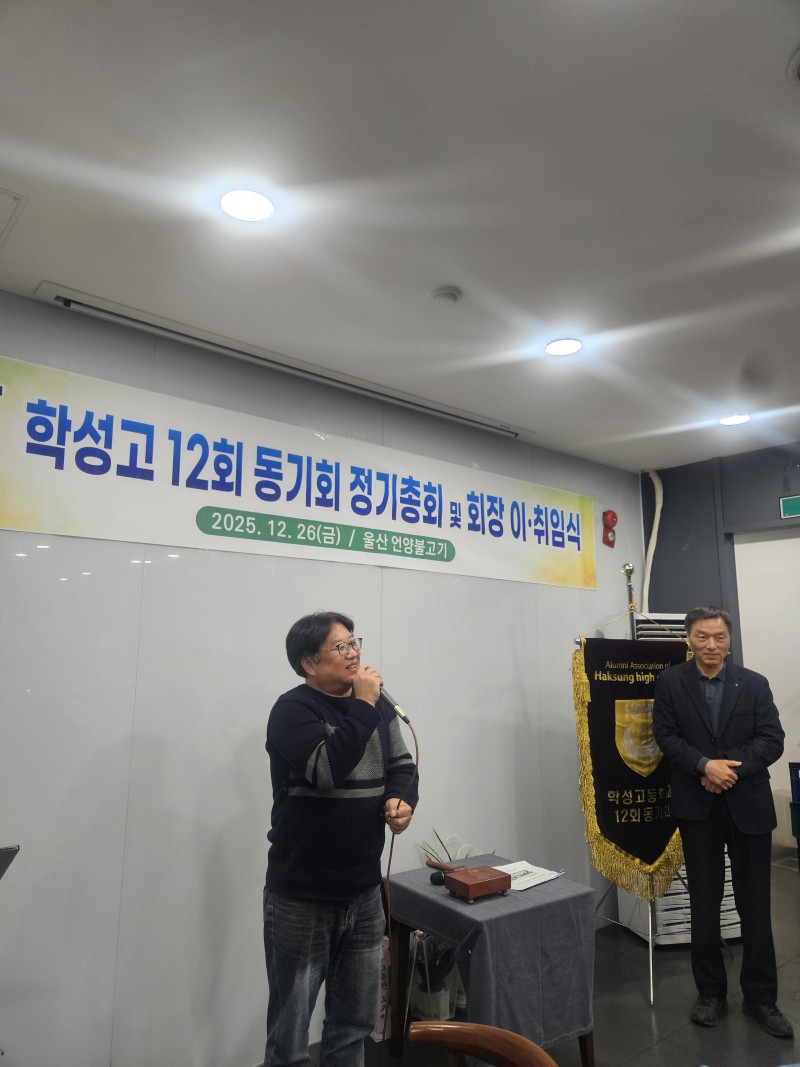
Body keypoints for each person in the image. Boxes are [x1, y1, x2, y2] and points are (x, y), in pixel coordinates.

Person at [262, 611, 419, 1067]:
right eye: (340, 646)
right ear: (309, 663)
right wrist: (364, 706)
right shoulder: (292, 710)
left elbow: (402, 765)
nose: (354, 653)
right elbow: (327, 771)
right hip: (302, 898)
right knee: (291, 1038)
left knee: (353, 1026)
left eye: (354, 643)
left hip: (364, 894)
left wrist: (400, 800)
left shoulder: (377, 706)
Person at [652, 606, 792, 1039]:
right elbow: (666, 736)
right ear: (689, 639)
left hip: (748, 805)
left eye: (719, 637)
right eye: (702, 636)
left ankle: (761, 998)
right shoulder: (670, 682)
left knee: (755, 906)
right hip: (698, 808)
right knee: (704, 903)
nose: (711, 645)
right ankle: (710, 993)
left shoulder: (754, 684)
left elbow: (772, 739)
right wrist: (703, 766)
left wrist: (725, 769)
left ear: (729, 640)